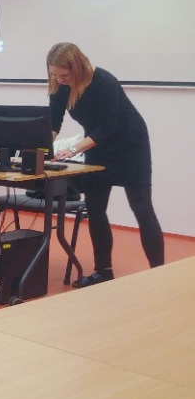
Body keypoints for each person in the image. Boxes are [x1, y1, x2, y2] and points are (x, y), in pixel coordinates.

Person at [47, 42, 164, 287]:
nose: (60, 79)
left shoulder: (104, 82)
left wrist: (72, 150)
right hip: (97, 146)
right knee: (95, 207)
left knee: (141, 207)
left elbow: (107, 127)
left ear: (77, 67)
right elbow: (54, 122)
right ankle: (103, 271)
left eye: (64, 75)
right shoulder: (60, 86)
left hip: (130, 145)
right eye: (55, 74)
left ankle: (159, 273)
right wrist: (44, 148)